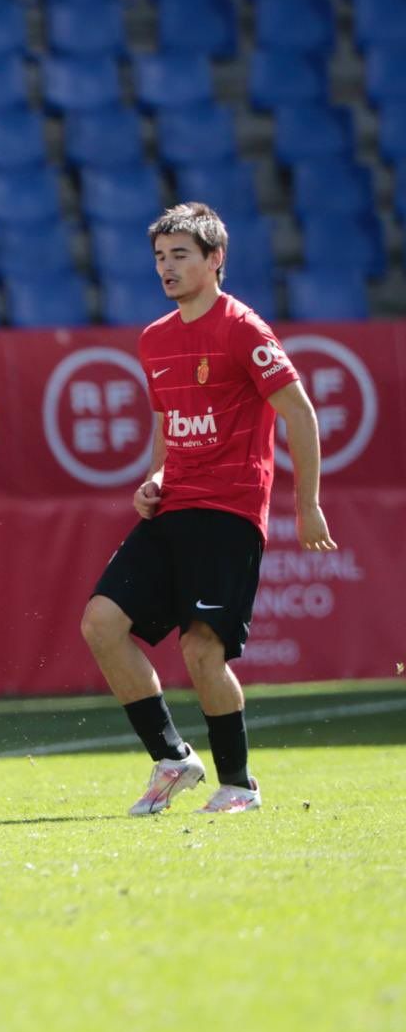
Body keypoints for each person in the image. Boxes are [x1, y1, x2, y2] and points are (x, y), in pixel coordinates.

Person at [81, 202, 337, 816]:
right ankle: (172, 758)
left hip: (229, 511)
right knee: (101, 624)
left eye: (181, 256)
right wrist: (154, 478)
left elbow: (298, 413)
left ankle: (239, 785)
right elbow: (168, 425)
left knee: (201, 651)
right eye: (160, 258)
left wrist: (308, 505)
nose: (166, 268)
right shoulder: (154, 339)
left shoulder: (243, 328)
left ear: (215, 260)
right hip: (173, 508)